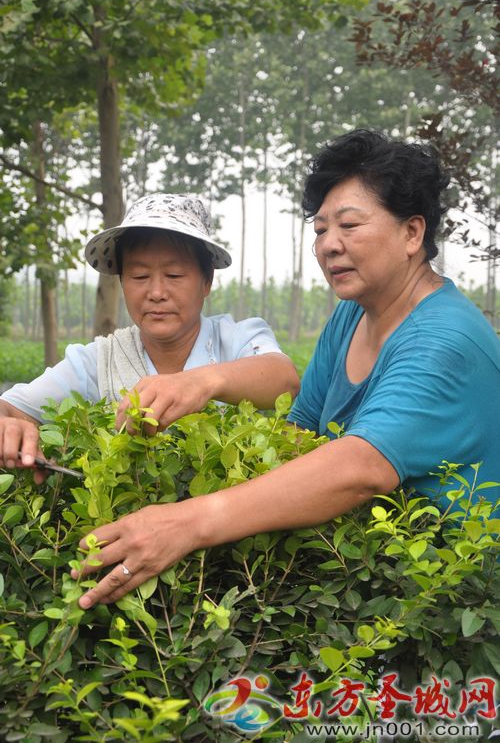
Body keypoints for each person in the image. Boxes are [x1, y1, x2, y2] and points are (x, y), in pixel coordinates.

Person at [63, 130, 500, 608]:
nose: (329, 245)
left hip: (446, 596)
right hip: (367, 574)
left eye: (349, 226)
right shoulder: (354, 313)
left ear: (412, 233)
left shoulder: (443, 340)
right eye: (319, 231)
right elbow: (302, 431)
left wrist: (185, 521)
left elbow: (360, 467)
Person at [0, 193, 300, 480]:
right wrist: (9, 426)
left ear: (206, 281)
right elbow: (11, 407)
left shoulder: (237, 339)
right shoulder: (100, 361)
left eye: (174, 276)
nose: (156, 293)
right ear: (122, 283)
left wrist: (199, 382)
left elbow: (282, 377)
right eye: (139, 277)